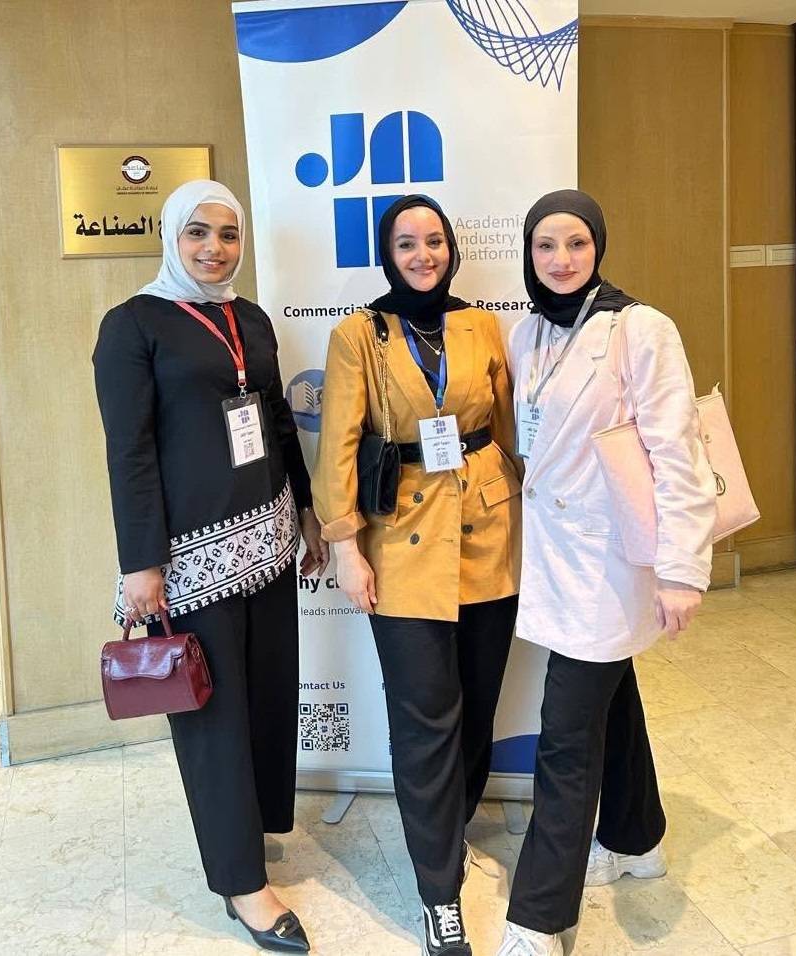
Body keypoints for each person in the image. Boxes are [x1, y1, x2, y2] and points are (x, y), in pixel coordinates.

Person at [93, 180, 327, 953]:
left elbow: (275, 420)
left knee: (265, 698)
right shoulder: (132, 325)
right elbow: (128, 452)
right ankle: (240, 883)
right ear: (171, 236)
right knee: (213, 715)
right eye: (197, 232)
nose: (213, 248)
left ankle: (248, 831)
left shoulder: (248, 318)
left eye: (227, 234)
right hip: (189, 561)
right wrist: (141, 563)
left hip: (267, 541)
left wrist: (305, 508)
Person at [497, 190, 716, 956]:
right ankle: (635, 839)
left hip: (607, 560)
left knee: (564, 739)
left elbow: (676, 452)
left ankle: (538, 918)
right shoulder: (525, 333)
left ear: (598, 247)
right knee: (611, 701)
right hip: (553, 553)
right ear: (528, 254)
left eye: (575, 244)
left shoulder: (640, 328)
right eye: (545, 246)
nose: (560, 260)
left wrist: (681, 570)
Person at [311, 195, 522, 956]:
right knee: (424, 717)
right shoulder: (357, 334)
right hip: (400, 544)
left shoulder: (480, 325)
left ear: (451, 249)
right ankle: (440, 895)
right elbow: (337, 445)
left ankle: (450, 830)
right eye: (407, 243)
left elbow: (508, 428)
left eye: (434, 241)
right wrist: (345, 546)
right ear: (387, 253)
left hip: (490, 534)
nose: (423, 255)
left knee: (477, 705)